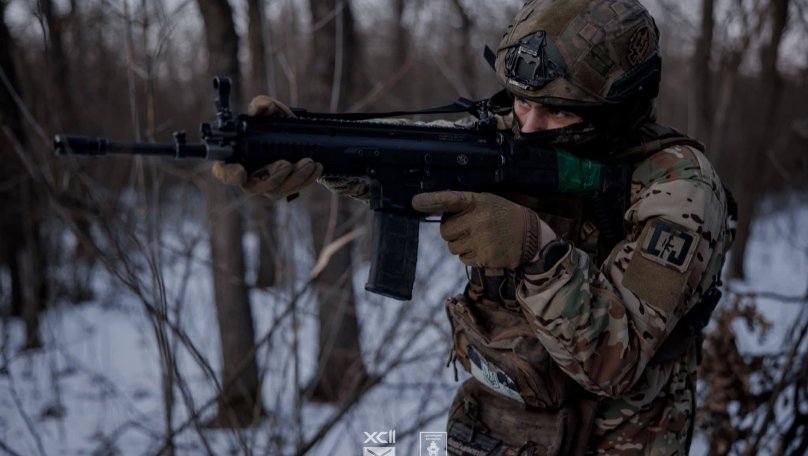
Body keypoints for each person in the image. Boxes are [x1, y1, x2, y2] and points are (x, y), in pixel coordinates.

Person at [214, 0, 734, 454]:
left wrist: (536, 251)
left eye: (555, 111)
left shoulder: (680, 190)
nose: (527, 126)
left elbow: (613, 362)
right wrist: (308, 147)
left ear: (617, 107)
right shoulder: (517, 135)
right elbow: (419, 153)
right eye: (521, 101)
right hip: (494, 432)